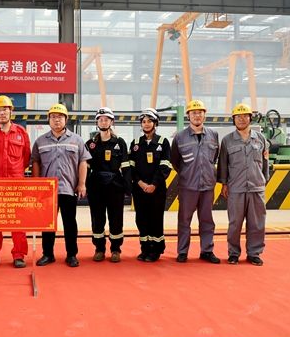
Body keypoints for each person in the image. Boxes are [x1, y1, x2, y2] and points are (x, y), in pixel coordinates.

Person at [31, 104, 91, 268]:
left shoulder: (76, 140)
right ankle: (47, 254)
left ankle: (71, 254)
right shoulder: (40, 141)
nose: (56, 120)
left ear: (66, 119)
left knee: (70, 223)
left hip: (69, 188)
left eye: (60, 117)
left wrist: (82, 184)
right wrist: (36, 185)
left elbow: (83, 162)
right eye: (53, 117)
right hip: (47, 191)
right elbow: (35, 162)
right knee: (47, 224)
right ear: (49, 120)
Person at [0, 95, 31, 269]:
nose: (2, 113)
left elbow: (26, 158)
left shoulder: (21, 133)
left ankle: (19, 255)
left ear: (11, 111)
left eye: (5, 109)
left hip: (16, 185)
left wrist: (14, 174)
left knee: (18, 221)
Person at [217, 103, 269, 266]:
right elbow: (223, 164)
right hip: (236, 188)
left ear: (250, 118)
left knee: (257, 223)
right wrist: (224, 184)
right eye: (238, 117)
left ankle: (254, 253)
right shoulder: (227, 140)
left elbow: (265, 163)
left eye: (244, 116)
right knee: (235, 223)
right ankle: (233, 253)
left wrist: (263, 180)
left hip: (256, 187)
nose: (241, 119)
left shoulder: (260, 139)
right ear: (233, 119)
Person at [170, 100, 220, 264]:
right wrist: (188, 174)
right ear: (188, 116)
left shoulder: (213, 135)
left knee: (207, 220)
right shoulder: (179, 137)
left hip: (207, 186)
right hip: (187, 187)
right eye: (193, 113)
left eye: (200, 112)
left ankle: (207, 251)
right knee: (184, 220)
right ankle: (182, 252)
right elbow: (175, 161)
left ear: (204, 115)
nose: (197, 115)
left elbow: (214, 158)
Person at [85, 107, 132, 263]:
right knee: (97, 218)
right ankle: (99, 249)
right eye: (100, 120)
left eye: (106, 119)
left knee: (116, 218)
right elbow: (85, 167)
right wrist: (84, 185)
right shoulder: (90, 144)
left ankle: (115, 249)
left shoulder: (119, 143)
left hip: (115, 186)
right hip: (95, 186)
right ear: (97, 122)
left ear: (112, 122)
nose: (103, 122)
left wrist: (128, 186)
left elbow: (126, 165)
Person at [128, 108, 172, 263]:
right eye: (144, 121)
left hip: (156, 189)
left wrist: (153, 184)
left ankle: (156, 249)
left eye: (149, 121)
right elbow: (131, 167)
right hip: (139, 189)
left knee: (155, 219)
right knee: (141, 219)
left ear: (156, 123)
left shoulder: (163, 142)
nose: (146, 124)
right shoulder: (135, 144)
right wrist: (140, 183)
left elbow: (165, 166)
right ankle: (145, 248)